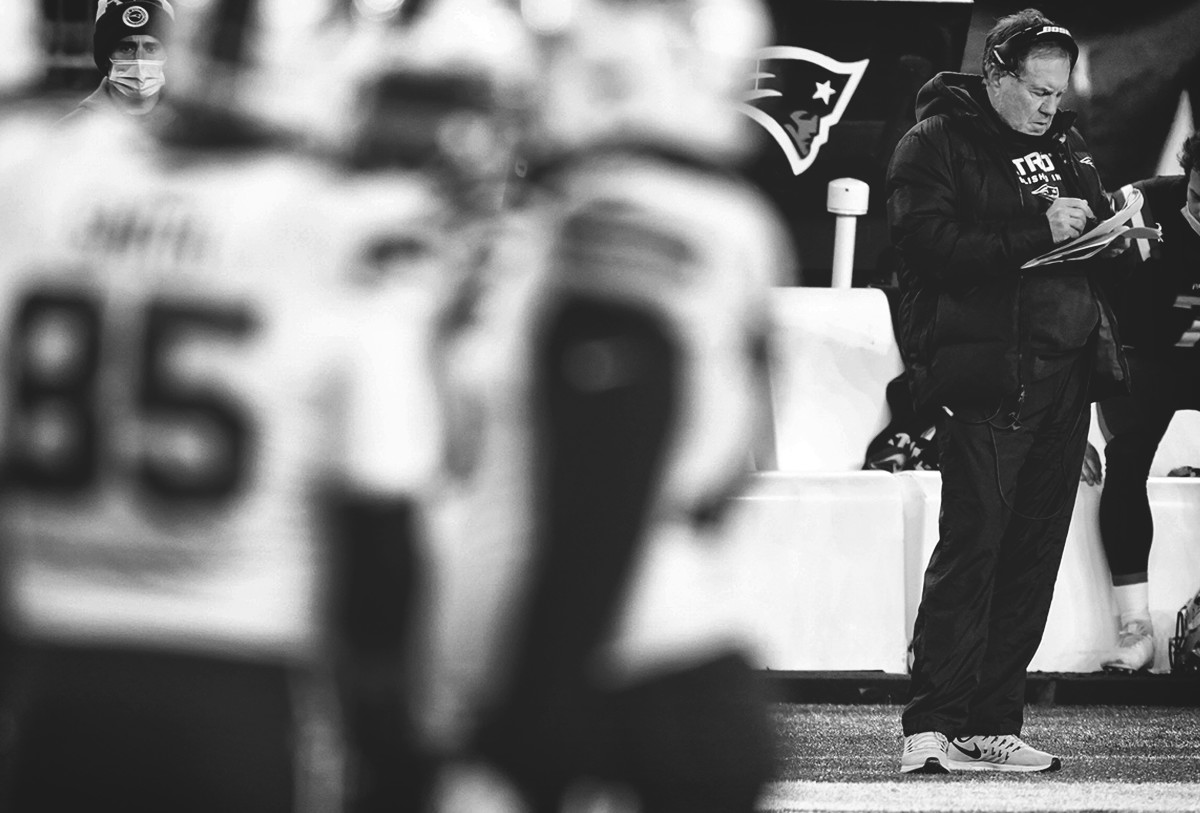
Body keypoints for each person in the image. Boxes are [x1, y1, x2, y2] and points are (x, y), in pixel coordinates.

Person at [0, 0, 485, 810]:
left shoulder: (44, 182)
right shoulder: (335, 228)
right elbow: (379, 513)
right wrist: (394, 745)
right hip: (231, 676)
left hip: (52, 674)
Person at [451, 0, 793, 810]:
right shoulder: (716, 216)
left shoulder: (629, 212)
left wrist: (536, 714)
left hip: (609, 666)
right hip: (661, 646)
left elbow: (609, 459)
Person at [887, 8, 1129, 774]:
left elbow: (1077, 244)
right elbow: (928, 247)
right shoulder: (934, 142)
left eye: (1058, 94)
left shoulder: (1066, 144)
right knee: (972, 549)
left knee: (1031, 557)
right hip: (989, 376)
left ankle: (991, 720)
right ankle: (930, 724)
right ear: (994, 74)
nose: (1050, 107)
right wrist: (1038, 228)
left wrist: (1119, 239)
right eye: (1036, 91)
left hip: (1066, 379)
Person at [1085, 131, 1200, 673]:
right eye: (1198, 199)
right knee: (1126, 459)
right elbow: (1082, 294)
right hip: (1142, 353)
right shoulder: (1140, 201)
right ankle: (1135, 624)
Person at [58, 0, 174, 125]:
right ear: (105, 57)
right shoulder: (71, 130)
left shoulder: (190, 127)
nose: (139, 59)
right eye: (126, 48)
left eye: (151, 49)